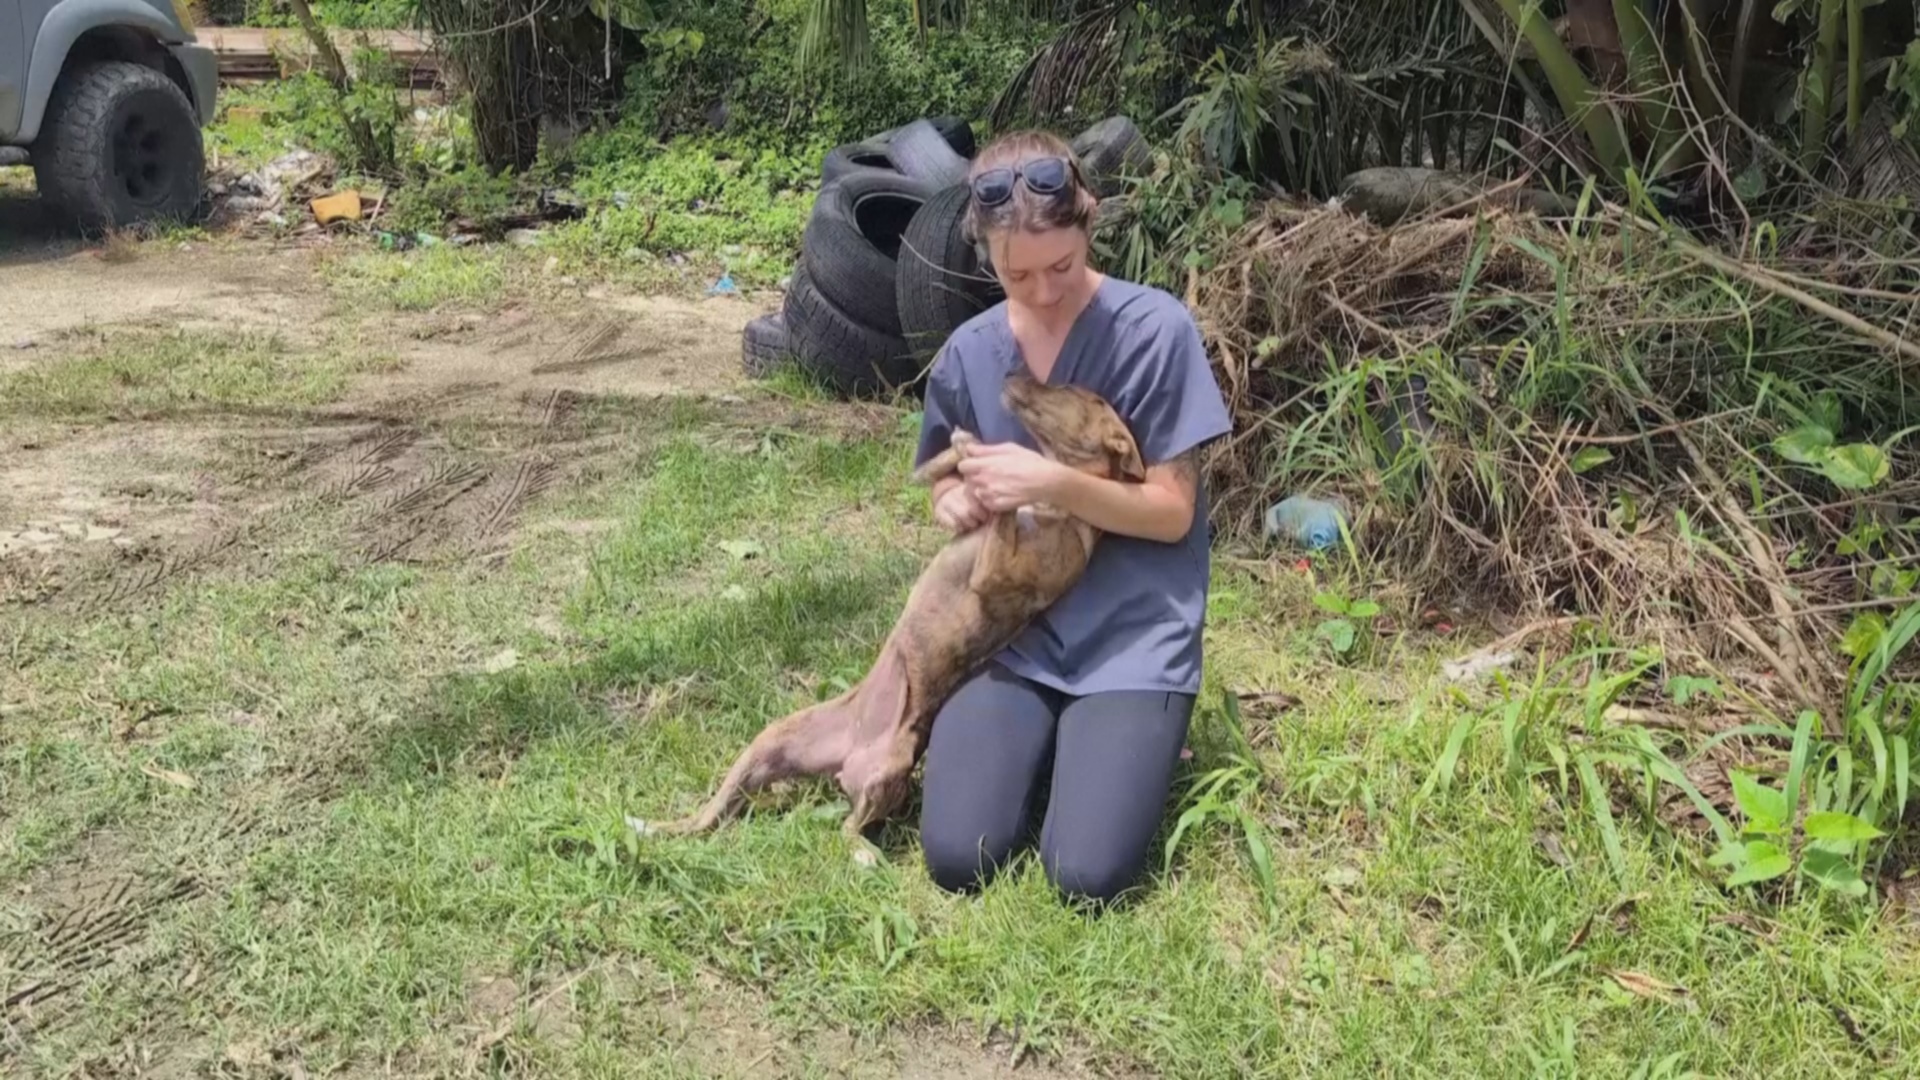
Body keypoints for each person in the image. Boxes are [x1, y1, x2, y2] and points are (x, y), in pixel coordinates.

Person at [911, 129, 1233, 907]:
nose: (1044, 290)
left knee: (1085, 876)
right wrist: (954, 503)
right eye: (1016, 274)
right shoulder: (968, 353)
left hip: (1131, 633)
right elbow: (942, 485)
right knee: (959, 857)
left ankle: (1118, 739)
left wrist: (1050, 479)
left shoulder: (1155, 331)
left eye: (1061, 265)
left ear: (1089, 222)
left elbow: (1170, 513)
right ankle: (1050, 742)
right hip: (1012, 635)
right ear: (985, 254)